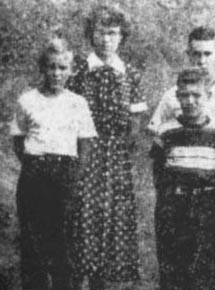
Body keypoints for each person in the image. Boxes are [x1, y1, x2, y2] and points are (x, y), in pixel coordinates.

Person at [66, 5, 147, 289]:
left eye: (113, 33)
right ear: (91, 34)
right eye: (101, 32)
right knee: (80, 218)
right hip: (83, 154)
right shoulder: (77, 70)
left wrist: (126, 147)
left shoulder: (130, 74)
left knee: (111, 220)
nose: (106, 40)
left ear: (122, 37)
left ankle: (102, 282)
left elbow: (136, 121)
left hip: (115, 158)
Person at [10, 37, 97, 290]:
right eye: (51, 67)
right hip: (35, 173)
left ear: (71, 70)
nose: (57, 73)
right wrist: (35, 164)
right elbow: (19, 140)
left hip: (65, 174)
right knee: (32, 239)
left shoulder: (77, 103)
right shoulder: (27, 100)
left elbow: (85, 144)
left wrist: (74, 175)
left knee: (63, 238)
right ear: (43, 68)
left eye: (62, 68)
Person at [150, 68, 215, 290]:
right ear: (177, 96)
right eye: (184, 95)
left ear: (208, 97)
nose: (190, 101)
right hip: (173, 208)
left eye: (196, 95)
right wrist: (169, 201)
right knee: (173, 268)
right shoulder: (166, 131)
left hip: (208, 209)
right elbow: (158, 172)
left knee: (208, 269)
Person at [148, 26, 215, 148]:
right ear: (188, 55)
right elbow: (156, 134)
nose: (201, 61)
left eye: (207, 54)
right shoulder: (171, 96)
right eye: (196, 54)